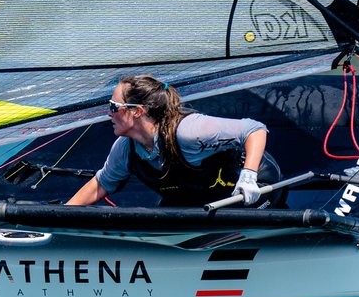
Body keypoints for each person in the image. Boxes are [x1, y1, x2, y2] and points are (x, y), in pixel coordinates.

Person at [67, 74, 277, 208]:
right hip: (200, 199)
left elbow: (254, 129)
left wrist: (249, 177)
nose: (109, 114)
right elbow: (101, 184)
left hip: (253, 191)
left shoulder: (189, 131)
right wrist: (59, 216)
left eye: (114, 107)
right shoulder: (125, 148)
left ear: (138, 112)